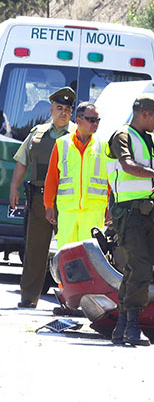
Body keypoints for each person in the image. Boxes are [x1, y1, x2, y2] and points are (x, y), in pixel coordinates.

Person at [106, 94, 154, 346]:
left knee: (135, 268)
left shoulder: (152, 140)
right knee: (142, 265)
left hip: (151, 211)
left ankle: (122, 326)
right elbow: (127, 165)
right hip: (128, 212)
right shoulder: (122, 135)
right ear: (143, 113)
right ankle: (133, 325)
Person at [10, 87, 76, 309]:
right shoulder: (37, 133)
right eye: (59, 108)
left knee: (70, 250)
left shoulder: (77, 135)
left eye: (68, 109)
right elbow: (22, 161)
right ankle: (29, 296)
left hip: (66, 200)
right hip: (39, 199)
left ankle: (72, 298)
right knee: (35, 250)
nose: (63, 112)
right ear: (51, 109)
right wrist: (14, 187)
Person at [43, 102, 108, 249]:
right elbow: (52, 178)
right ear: (79, 120)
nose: (95, 124)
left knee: (92, 258)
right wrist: (48, 205)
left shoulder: (104, 146)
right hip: (68, 213)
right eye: (91, 120)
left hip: (94, 212)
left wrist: (110, 206)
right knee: (66, 256)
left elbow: (111, 179)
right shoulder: (61, 144)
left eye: (98, 120)